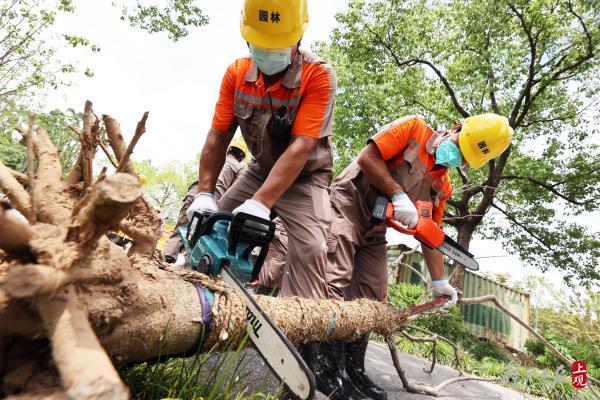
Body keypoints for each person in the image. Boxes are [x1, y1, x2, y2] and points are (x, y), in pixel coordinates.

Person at [323, 113, 513, 400]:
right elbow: (366, 158)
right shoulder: (414, 129)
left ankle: (353, 369)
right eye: (460, 148)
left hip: (375, 229)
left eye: (465, 159)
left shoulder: (442, 185)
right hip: (346, 206)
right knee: (335, 278)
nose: (459, 158)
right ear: (455, 129)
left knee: (372, 294)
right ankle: (325, 367)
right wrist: (398, 195)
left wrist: (440, 281)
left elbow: (431, 233)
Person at [186, 0, 336, 301]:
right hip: (261, 169)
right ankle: (197, 301)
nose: (268, 52)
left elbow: (302, 146)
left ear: (298, 39)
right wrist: (205, 193)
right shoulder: (237, 74)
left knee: (312, 248)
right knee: (215, 225)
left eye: (278, 45)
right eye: (261, 44)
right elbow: (217, 136)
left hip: (307, 177)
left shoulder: (318, 75)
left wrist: (261, 203)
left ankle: (299, 326)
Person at [163, 138, 248, 263]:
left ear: (229, 150)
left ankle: (168, 254)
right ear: (241, 157)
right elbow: (235, 191)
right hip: (211, 201)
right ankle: (190, 262)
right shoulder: (239, 168)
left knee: (181, 225)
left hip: (193, 194)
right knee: (200, 232)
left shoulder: (216, 159)